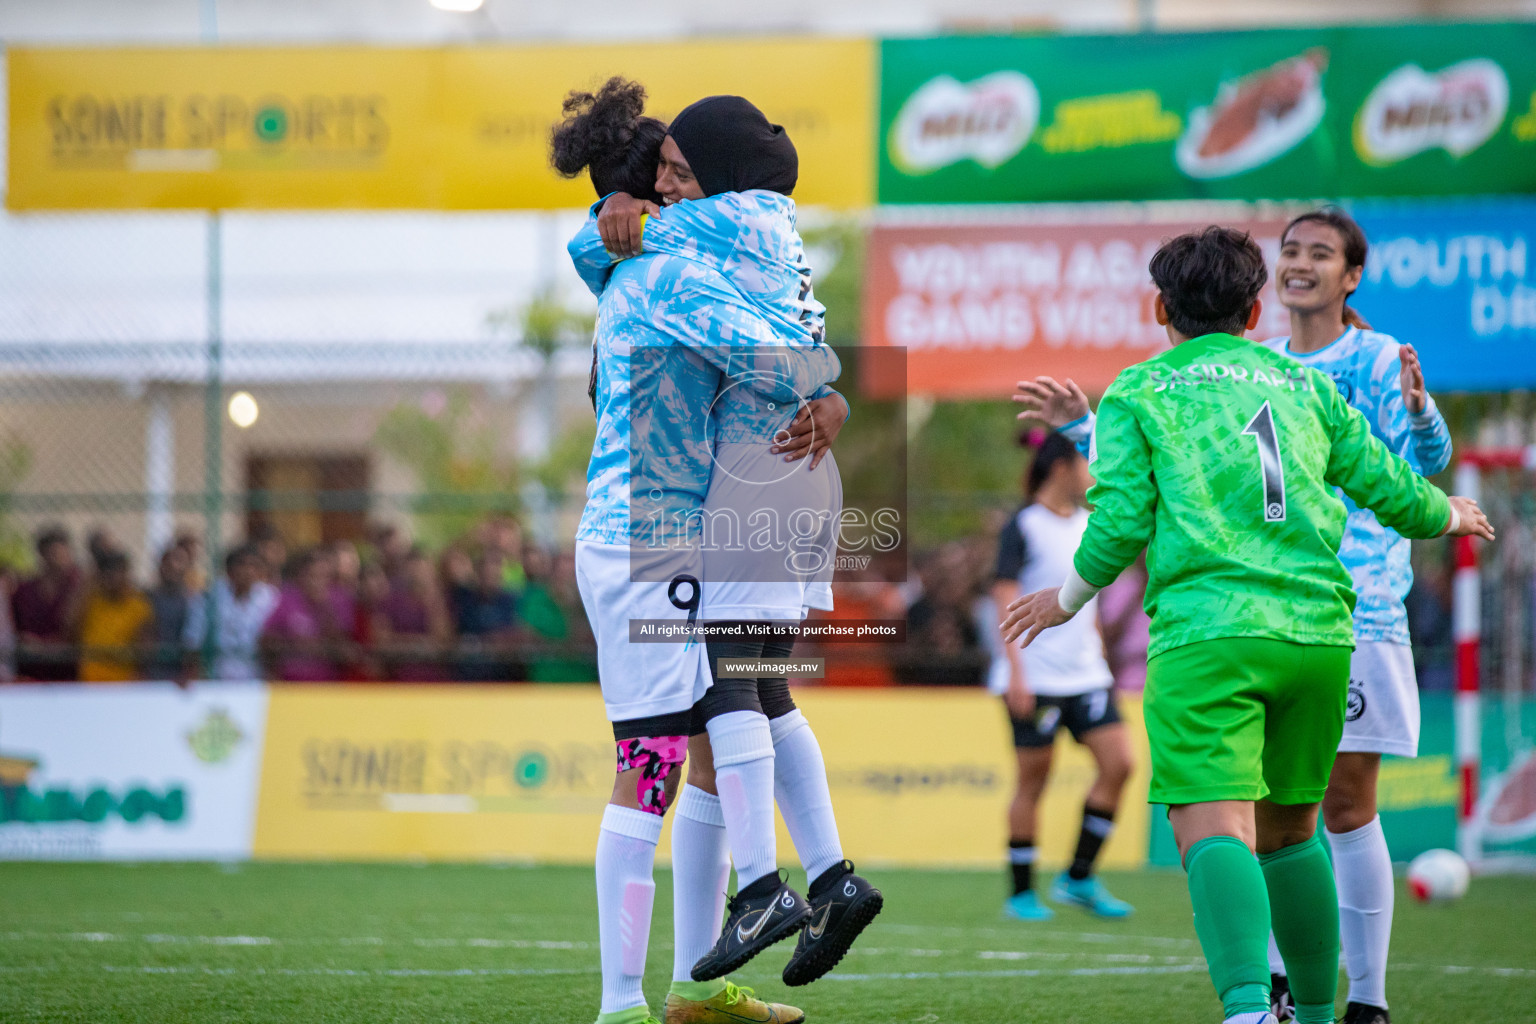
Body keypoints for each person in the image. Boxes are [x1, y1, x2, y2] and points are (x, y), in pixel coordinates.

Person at [1000, 226, 1492, 1024]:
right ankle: (1328, 1014)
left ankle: (1245, 1008)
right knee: (1295, 831)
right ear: (1255, 305)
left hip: (1211, 635)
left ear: (1160, 305)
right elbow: (1385, 482)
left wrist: (1064, 600)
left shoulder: (1141, 389)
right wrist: (1448, 513)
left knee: (1212, 823)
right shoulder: (1306, 386)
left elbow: (1122, 518)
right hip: (1322, 636)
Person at [555, 79, 840, 1024]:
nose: (681, 190)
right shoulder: (666, 273)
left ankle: (695, 990)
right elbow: (775, 359)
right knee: (650, 762)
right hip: (644, 543)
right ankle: (621, 1002)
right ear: (644, 197)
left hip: (670, 538)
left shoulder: (639, 263)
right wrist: (823, 388)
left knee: (704, 752)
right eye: (668, 176)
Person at [1257, 208, 1453, 1024]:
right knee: (1276, 805)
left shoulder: (1376, 358)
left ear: (1351, 276)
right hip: (1272, 609)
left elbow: (1430, 465)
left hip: (1361, 609)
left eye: (1320, 254)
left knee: (1344, 803)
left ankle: (1367, 1001)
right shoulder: (1257, 364)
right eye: (1291, 251)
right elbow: (1267, 491)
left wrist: (1420, 412)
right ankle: (1281, 990)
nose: (1300, 264)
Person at [990, 431, 1134, 922]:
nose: (1093, 473)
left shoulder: (1089, 524)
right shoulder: (1023, 526)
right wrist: (1015, 673)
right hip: (1038, 676)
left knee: (1121, 764)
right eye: (1085, 462)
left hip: (1086, 674)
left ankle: (1078, 877)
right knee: (1035, 782)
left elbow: (1085, 600)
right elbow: (1004, 600)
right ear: (1060, 467)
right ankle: (1021, 893)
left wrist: (1101, 659)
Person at [184, 544, 280, 681]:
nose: (248, 571)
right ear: (229, 570)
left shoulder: (271, 599)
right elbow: (194, 638)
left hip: (256, 674)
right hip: (215, 673)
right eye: (241, 565)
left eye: (254, 566)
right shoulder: (210, 597)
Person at [260, 548, 349, 682]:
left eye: (324, 576)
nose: (318, 581)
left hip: (329, 684)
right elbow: (267, 640)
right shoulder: (287, 599)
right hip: (292, 683)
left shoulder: (339, 598)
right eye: (313, 575)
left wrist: (324, 608)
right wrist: (295, 646)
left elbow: (345, 644)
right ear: (301, 576)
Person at [11, 526, 83, 681]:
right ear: (42, 555)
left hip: (66, 672)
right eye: (54, 554)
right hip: (31, 673)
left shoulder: (77, 590)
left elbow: (75, 631)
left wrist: (45, 646)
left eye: (64, 553)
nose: (61, 559)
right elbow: (17, 629)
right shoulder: (24, 591)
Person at [375, 547, 452, 682]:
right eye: (414, 569)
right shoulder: (389, 601)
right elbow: (381, 639)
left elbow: (442, 640)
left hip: (434, 679)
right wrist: (418, 643)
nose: (418, 574)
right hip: (398, 678)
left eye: (423, 569)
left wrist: (431, 603)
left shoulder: (439, 601)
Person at [75, 550, 153, 683]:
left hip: (123, 683)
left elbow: (145, 649)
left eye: (118, 572)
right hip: (89, 681)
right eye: (108, 572)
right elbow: (71, 629)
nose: (113, 577)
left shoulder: (139, 606)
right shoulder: (90, 601)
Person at [451, 550, 519, 681]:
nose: (490, 575)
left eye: (495, 571)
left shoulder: (512, 602)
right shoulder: (463, 599)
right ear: (477, 572)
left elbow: (519, 632)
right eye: (485, 571)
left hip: (504, 677)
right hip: (469, 676)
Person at [145, 544, 195, 682]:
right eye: (168, 562)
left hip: (182, 674)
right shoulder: (147, 600)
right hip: (153, 672)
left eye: (179, 561)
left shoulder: (195, 602)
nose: (173, 566)